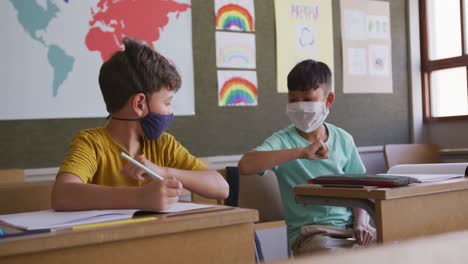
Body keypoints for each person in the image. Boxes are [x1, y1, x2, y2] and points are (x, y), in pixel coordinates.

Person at [52, 37, 229, 211]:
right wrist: (140, 197)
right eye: (167, 103)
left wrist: (164, 172)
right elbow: (62, 194)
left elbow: (222, 188)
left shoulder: (164, 144)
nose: (170, 111)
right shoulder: (91, 143)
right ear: (139, 104)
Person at [238, 59, 375, 256]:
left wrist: (361, 223)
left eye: (308, 99)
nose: (300, 106)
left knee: (397, 251)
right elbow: (246, 165)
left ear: (328, 100)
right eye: (293, 100)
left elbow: (361, 189)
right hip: (311, 234)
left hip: (352, 231)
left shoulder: (343, 139)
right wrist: (301, 152)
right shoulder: (283, 141)